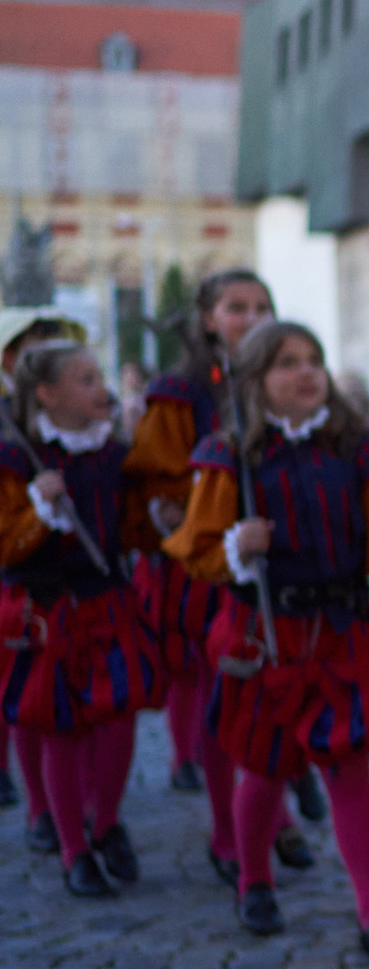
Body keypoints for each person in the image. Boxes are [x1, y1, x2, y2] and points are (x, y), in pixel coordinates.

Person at [163, 322, 369, 954]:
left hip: (342, 633)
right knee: (264, 768)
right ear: (256, 380)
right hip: (265, 638)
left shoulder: (361, 452)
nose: (307, 372)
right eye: (287, 363)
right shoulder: (230, 456)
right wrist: (237, 547)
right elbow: (196, 550)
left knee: (348, 767)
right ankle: (254, 879)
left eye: (314, 359)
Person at [124, 270, 320, 883]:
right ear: (209, 319)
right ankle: (228, 832)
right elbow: (155, 480)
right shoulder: (180, 392)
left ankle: (276, 809)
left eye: (262, 305)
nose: (253, 317)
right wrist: (205, 505)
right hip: (210, 566)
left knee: (277, 689)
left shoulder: (283, 377)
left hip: (278, 562)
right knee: (225, 694)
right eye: (237, 307)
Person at [0, 342, 164, 896]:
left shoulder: (116, 456)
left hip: (108, 599)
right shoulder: (17, 460)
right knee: (61, 726)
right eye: (86, 380)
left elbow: (135, 529)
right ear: (47, 394)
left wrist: (161, 518)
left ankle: (107, 820)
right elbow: (6, 545)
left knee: (119, 713)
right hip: (51, 609)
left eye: (99, 377)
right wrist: (37, 509)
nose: (102, 390)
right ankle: (74, 848)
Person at [0, 307, 88, 826]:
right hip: (16, 574)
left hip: (70, 581)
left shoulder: (80, 418)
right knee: (24, 694)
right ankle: (38, 805)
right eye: (35, 343)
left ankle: (76, 806)